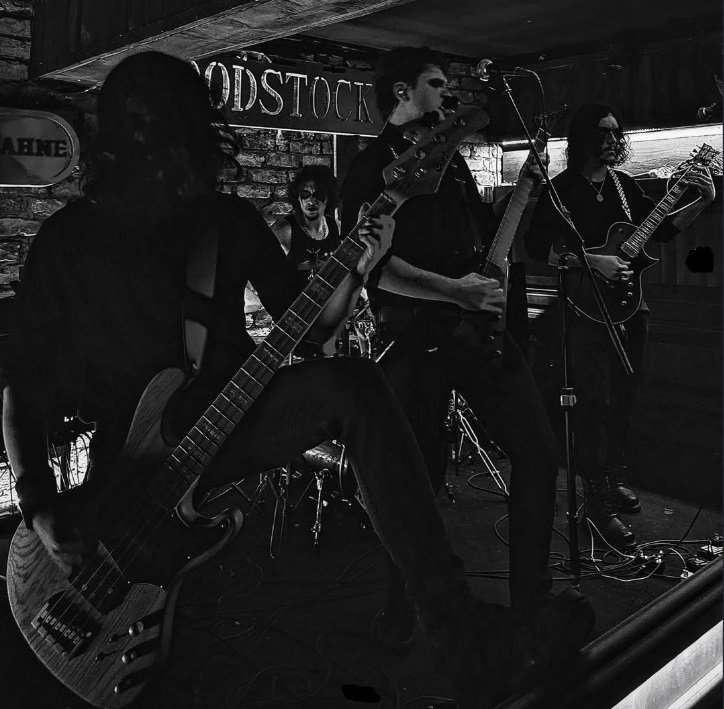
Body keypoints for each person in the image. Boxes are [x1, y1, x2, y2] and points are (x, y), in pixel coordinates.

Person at [1, 50, 539, 709]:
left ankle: (460, 638)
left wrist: (356, 266)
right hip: (129, 466)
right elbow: (22, 380)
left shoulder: (225, 221)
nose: (154, 145)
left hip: (228, 422)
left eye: (164, 126)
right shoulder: (68, 238)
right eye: (140, 127)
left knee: (355, 385)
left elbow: (308, 326)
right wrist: (39, 505)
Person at [341, 45, 594, 664]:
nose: (447, 94)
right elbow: (373, 269)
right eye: (435, 83)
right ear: (402, 92)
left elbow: (482, 239)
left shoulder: (450, 161)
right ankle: (405, 607)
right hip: (414, 340)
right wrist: (454, 291)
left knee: (538, 451)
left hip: (480, 334)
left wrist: (524, 192)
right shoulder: (371, 168)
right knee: (415, 483)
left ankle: (532, 602)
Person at [524, 103, 715, 550]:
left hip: (631, 308)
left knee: (625, 398)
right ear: (582, 139)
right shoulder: (560, 190)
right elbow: (537, 247)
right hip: (584, 310)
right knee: (594, 403)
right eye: (603, 133)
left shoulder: (624, 185)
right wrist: (593, 261)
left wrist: (703, 200)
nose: (613, 140)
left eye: (616, 133)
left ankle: (612, 478)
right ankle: (596, 502)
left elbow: (661, 231)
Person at [271, 164, 342, 291]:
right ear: (298, 197)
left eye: (318, 194)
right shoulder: (284, 230)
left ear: (329, 197)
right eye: (305, 194)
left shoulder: (337, 227)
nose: (311, 200)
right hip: (294, 301)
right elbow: (262, 272)